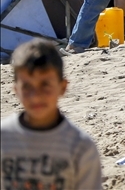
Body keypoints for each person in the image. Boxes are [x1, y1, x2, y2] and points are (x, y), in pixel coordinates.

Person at [0, 39, 103, 190]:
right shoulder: (4, 138)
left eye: (45, 85)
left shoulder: (80, 147)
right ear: (16, 89)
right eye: (27, 86)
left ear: (63, 87)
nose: (35, 96)